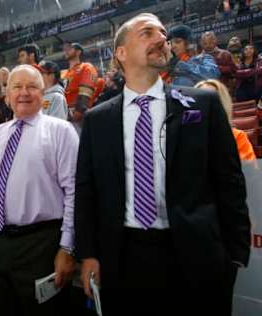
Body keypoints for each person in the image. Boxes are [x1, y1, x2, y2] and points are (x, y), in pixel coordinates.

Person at [75, 13, 250, 316]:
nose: (161, 38)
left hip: (196, 258)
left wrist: (234, 257)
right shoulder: (97, 119)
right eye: (147, 33)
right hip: (122, 259)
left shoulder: (203, 105)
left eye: (163, 33)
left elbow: (230, 183)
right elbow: (86, 192)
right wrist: (88, 254)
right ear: (121, 53)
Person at [0, 65, 78, 316]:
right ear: (7, 95)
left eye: (31, 86)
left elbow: (74, 193)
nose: (24, 93)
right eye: (17, 87)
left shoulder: (61, 131)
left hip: (40, 247)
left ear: (43, 92)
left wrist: (66, 247)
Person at [195, 79, 256, 161]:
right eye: (201, 99)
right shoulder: (183, 135)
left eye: (212, 100)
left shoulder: (237, 137)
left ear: (223, 104)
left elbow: (248, 170)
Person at [62, 42, 98, 131]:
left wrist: (75, 116)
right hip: (62, 116)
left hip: (78, 119)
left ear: (78, 52)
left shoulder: (86, 67)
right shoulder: (62, 73)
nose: (66, 51)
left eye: (70, 49)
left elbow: (85, 95)